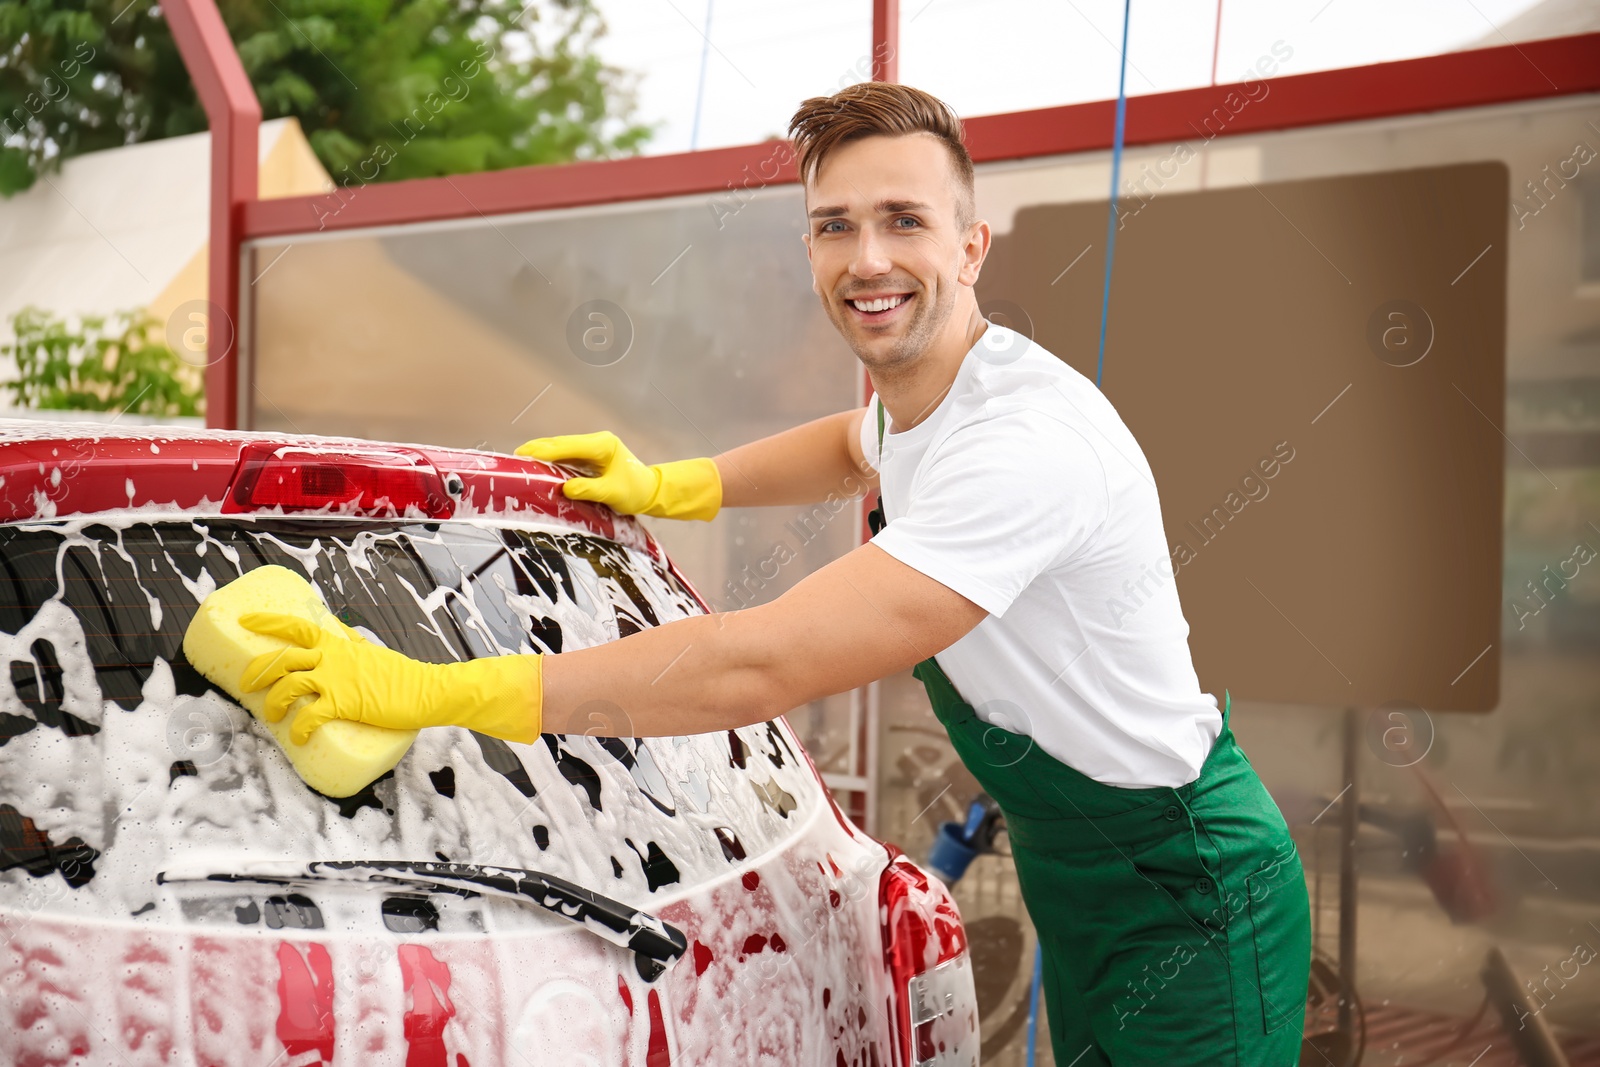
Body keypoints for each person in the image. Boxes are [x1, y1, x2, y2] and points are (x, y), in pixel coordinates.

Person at [238, 81, 1312, 1066]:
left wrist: (432, 687)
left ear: (972, 245)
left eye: (904, 220)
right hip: (1080, 882)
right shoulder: (929, 399)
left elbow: (759, 663)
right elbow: (854, 444)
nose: (865, 259)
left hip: (1191, 894)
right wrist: (669, 484)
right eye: (833, 226)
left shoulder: (1024, 446)